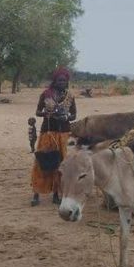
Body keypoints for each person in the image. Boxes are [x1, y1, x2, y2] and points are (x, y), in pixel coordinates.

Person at [30, 67, 77, 206]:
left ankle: (56, 194)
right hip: (48, 132)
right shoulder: (46, 94)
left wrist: (66, 116)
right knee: (42, 162)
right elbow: (38, 112)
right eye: (59, 80)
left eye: (64, 80)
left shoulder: (70, 96)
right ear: (55, 81)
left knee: (60, 165)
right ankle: (36, 193)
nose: (62, 82)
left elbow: (74, 115)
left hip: (63, 134)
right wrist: (47, 114)